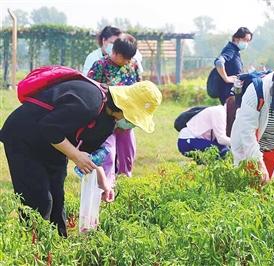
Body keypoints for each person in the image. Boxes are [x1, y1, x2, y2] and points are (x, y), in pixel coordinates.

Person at [0, 79, 162, 237]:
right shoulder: (89, 101)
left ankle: (57, 250)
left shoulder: (108, 123)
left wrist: (102, 179)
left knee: (57, 201)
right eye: (133, 117)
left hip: (53, 145)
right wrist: (75, 155)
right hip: (24, 138)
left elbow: (86, 153)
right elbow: (49, 128)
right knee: (39, 200)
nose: (131, 123)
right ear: (124, 107)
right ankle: (32, 251)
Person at [87, 34, 139, 184]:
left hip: (126, 120)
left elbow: (138, 88)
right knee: (108, 155)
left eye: (130, 58)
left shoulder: (132, 66)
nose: (128, 61)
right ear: (115, 52)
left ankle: (125, 186)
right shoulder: (100, 66)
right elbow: (90, 91)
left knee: (127, 155)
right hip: (105, 119)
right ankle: (107, 187)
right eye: (125, 58)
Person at [214, 27, 253, 105]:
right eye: (245, 40)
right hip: (229, 94)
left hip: (235, 92)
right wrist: (226, 78)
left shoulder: (235, 51)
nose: (246, 43)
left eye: (248, 41)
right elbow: (219, 62)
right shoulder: (230, 49)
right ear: (236, 38)